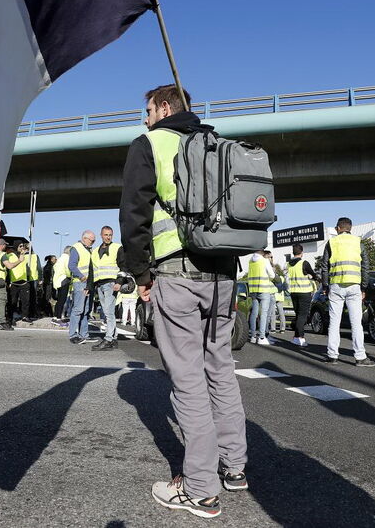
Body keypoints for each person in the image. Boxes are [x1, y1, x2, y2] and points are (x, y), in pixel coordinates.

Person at [121, 84, 246, 519]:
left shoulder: (150, 143)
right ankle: (234, 468)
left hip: (177, 274)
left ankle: (200, 489)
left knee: (188, 379)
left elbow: (133, 213)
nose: (145, 118)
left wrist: (139, 273)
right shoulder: (218, 143)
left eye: (149, 109)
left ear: (166, 107)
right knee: (221, 371)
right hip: (223, 274)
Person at [317, 217, 374, 366]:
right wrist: (364, 287)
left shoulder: (331, 242)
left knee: (334, 322)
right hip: (354, 286)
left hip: (336, 286)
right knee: (356, 322)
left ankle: (332, 355)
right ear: (350, 228)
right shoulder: (358, 242)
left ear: (337, 228)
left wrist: (325, 286)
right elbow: (365, 266)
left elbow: (324, 266)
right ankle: (360, 357)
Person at [91, 225, 126, 351]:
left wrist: (119, 282)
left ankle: (108, 339)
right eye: (106, 235)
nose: (108, 237)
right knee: (107, 312)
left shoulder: (117, 248)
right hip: (99, 284)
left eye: (110, 235)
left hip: (111, 283)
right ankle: (114, 338)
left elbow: (123, 266)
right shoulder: (95, 251)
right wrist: (91, 286)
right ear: (101, 235)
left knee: (108, 312)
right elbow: (93, 270)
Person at [286, 243, 317, 347]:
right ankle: (301, 338)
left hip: (293, 292)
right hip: (304, 292)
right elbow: (313, 275)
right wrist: (312, 277)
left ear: (293, 252)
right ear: (302, 253)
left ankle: (295, 338)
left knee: (298, 315)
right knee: (302, 316)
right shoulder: (304, 263)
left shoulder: (288, 264)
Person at [0, 239, 22, 330]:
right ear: (1, 245)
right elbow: (9, 266)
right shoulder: (3, 255)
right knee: (1, 301)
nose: (6, 246)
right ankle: (2, 322)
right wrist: (19, 260)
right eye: (5, 245)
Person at [67, 231, 95, 344]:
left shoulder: (88, 249)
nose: (93, 242)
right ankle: (73, 335)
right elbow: (71, 265)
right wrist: (81, 276)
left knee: (86, 311)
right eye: (92, 240)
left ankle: (84, 334)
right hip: (80, 283)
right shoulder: (77, 248)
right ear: (84, 238)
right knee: (78, 310)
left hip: (87, 284)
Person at [247, 250, 276, 345]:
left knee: (254, 313)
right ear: (262, 252)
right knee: (264, 313)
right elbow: (272, 275)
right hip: (263, 289)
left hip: (253, 289)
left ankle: (252, 336)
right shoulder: (264, 261)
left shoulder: (250, 261)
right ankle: (262, 337)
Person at [8, 242, 40, 323]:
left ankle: (25, 316)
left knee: (26, 300)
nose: (22, 247)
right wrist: (8, 281)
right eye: (20, 246)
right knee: (13, 301)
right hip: (14, 282)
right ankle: (11, 316)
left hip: (24, 282)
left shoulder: (25, 256)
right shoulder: (10, 256)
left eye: (23, 246)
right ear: (16, 246)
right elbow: (8, 268)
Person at [53, 246, 72, 324]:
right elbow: (68, 269)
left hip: (57, 281)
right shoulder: (67, 258)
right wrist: (70, 276)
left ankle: (55, 316)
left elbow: (54, 267)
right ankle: (58, 318)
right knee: (62, 300)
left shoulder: (60, 258)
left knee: (59, 300)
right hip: (64, 280)